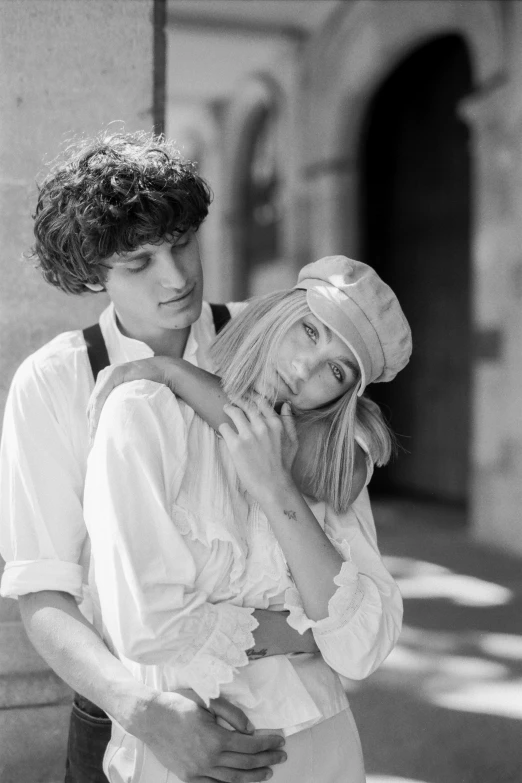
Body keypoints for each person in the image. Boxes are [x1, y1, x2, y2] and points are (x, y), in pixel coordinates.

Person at [0, 130, 296, 783]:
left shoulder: (265, 342)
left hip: (283, 694)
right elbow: (43, 592)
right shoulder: (52, 382)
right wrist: (146, 710)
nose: (177, 276)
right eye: (138, 263)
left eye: (182, 242)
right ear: (91, 274)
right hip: (127, 707)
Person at [83, 255, 410, 782]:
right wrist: (300, 633)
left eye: (337, 370)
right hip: (196, 751)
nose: (307, 368)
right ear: (281, 312)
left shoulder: (336, 458)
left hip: (322, 749)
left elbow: (364, 643)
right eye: (310, 331)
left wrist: (274, 487)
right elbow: (150, 627)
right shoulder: (145, 415)